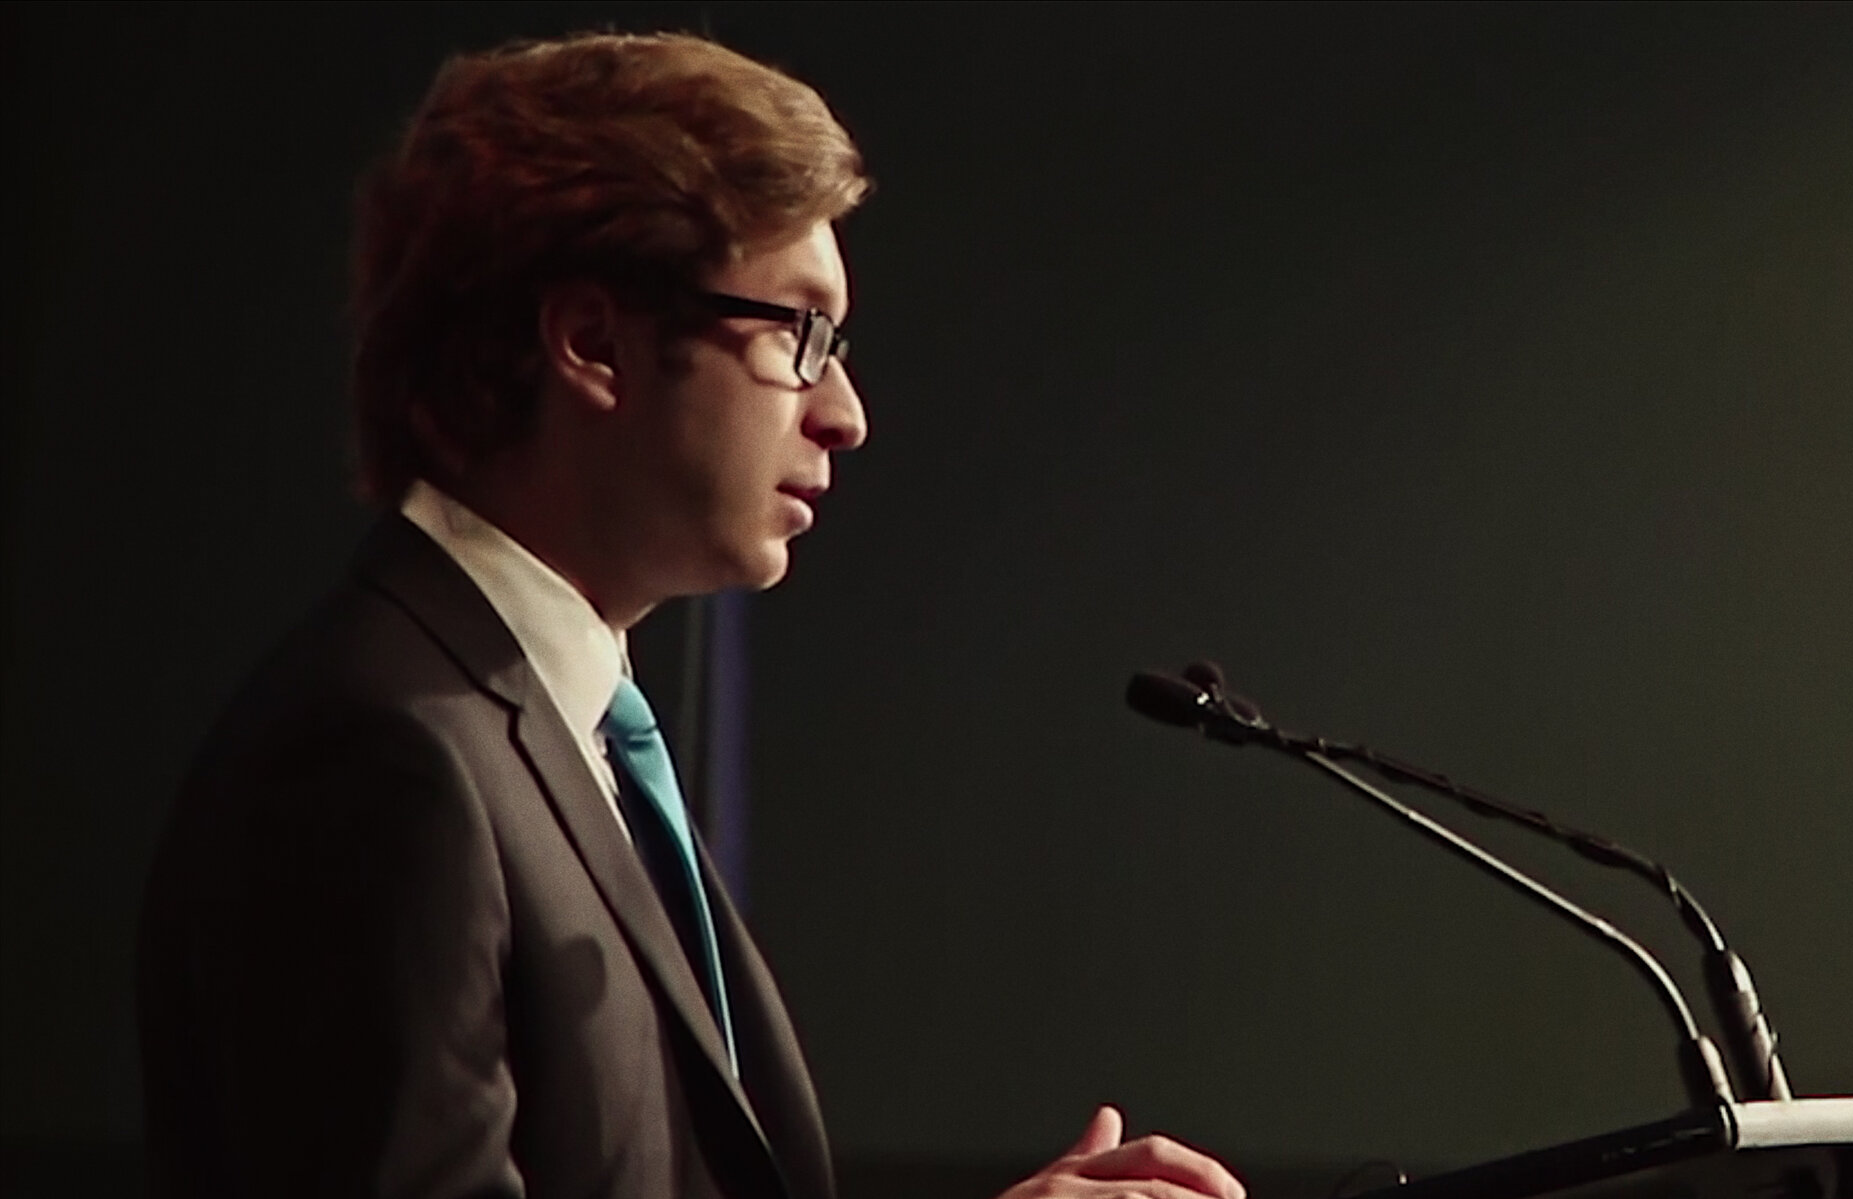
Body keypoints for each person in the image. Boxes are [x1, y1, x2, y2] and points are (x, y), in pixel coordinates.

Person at [136, 31, 1246, 1199]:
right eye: (797, 333)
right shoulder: (376, 753)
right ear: (593, 343)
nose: (846, 412)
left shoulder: (559, 736)